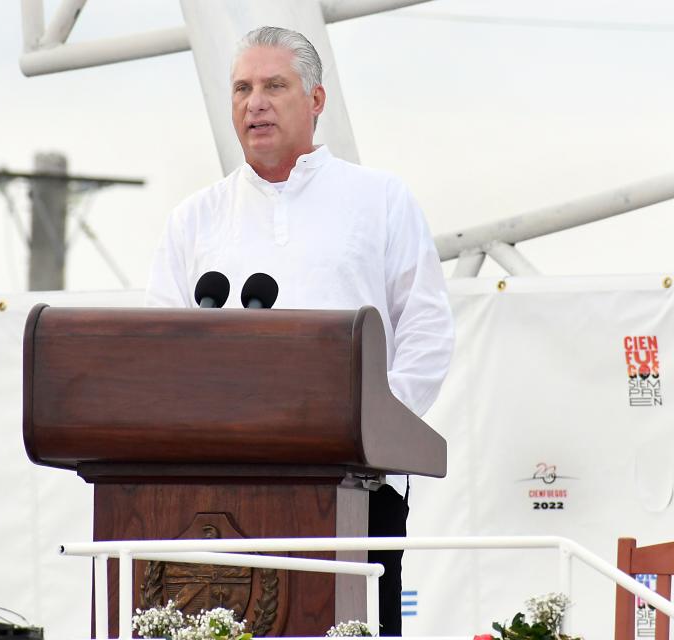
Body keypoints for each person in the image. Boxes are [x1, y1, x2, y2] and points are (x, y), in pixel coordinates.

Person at [146, 25, 453, 636]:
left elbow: (425, 331)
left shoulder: (381, 199)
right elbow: (161, 359)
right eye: (241, 88)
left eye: (273, 86)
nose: (253, 102)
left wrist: (368, 435)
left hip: (357, 486)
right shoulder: (194, 220)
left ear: (315, 100)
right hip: (217, 498)